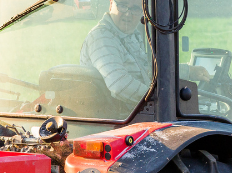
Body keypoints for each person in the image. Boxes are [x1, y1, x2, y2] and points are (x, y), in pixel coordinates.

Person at [81, 0, 211, 108]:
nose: (127, 13)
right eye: (122, 5)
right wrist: (162, 100)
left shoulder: (130, 34)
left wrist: (187, 71)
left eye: (135, 9)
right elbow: (120, 85)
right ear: (111, 4)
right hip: (119, 120)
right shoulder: (102, 37)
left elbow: (147, 69)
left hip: (132, 114)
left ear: (143, 12)